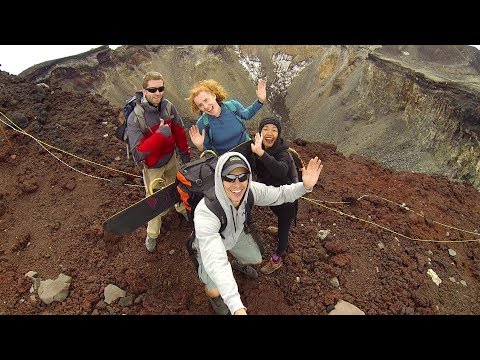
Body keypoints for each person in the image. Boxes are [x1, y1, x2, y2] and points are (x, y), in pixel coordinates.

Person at [191, 151, 323, 315]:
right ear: (220, 178)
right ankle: (215, 298)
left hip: (235, 235)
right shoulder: (206, 213)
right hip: (208, 249)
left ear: (249, 176)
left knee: (255, 259)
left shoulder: (250, 191)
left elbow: (279, 194)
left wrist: (305, 186)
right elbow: (217, 262)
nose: (237, 184)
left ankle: (236, 264)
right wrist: (237, 307)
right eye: (229, 177)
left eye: (242, 176)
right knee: (215, 289)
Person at [126, 71, 191, 253]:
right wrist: (160, 136)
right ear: (144, 91)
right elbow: (138, 153)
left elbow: (179, 133)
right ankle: (152, 234)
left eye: (161, 88)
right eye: (152, 89)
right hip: (153, 167)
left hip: (171, 160)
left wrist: (185, 157)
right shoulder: (135, 117)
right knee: (154, 201)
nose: (157, 93)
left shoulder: (168, 107)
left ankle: (181, 209)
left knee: (179, 187)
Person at [251, 117, 297, 274]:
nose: (269, 133)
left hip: (287, 200)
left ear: (279, 134)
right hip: (272, 196)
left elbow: (281, 170)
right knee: (277, 215)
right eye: (265, 129)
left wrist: (261, 153)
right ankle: (279, 229)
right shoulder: (257, 147)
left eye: (274, 130)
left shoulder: (283, 152)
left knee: (284, 228)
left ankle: (277, 259)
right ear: (260, 132)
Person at [187, 79, 266, 166]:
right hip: (227, 162)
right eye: (200, 105)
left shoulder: (232, 106)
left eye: (206, 100)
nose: (205, 106)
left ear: (214, 95)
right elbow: (209, 152)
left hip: (248, 152)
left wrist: (260, 101)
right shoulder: (203, 124)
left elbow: (247, 114)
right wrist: (200, 146)